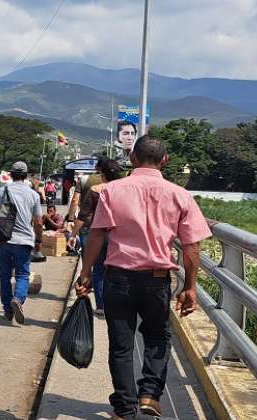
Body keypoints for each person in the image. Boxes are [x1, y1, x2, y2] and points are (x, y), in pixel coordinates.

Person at [75, 136, 211, 419]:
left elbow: (97, 234)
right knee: (157, 338)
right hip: (157, 280)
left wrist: (86, 272)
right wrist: (190, 287)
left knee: (121, 344)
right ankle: (149, 395)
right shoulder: (180, 195)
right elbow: (192, 246)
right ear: (165, 161)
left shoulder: (111, 191)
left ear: (133, 159)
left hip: (118, 279)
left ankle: (124, 409)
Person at [69, 158, 124, 314]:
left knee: (98, 269)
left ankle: (101, 305)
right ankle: (114, 303)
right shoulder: (125, 190)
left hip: (96, 233)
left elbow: (83, 216)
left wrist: (73, 235)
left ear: (103, 174)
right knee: (115, 269)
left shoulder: (96, 190)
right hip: (117, 236)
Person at [0, 161, 44, 324]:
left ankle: (7, 310)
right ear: (26, 175)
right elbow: (38, 221)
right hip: (24, 240)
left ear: (12, 174)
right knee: (22, 274)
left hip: (4, 238)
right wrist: (38, 240)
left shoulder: (4, 189)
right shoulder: (33, 195)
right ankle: (18, 299)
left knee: (4, 276)